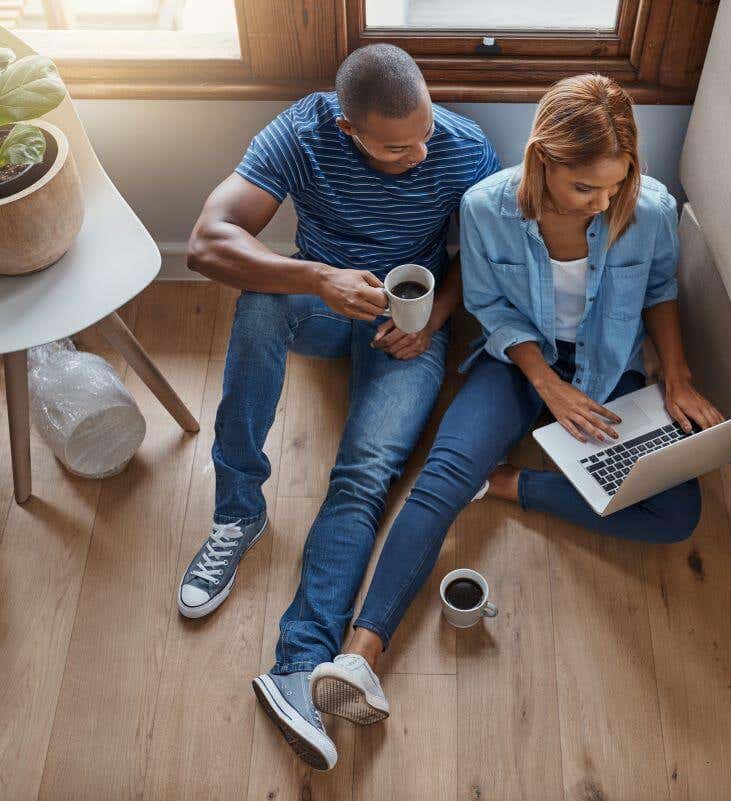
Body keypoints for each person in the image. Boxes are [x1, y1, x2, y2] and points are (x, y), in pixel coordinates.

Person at [306, 74, 726, 728]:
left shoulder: (649, 209)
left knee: (677, 510)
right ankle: (361, 654)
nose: (604, 200)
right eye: (587, 186)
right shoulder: (485, 207)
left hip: (608, 363)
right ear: (543, 160)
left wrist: (676, 375)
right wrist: (547, 384)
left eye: (617, 183)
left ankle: (506, 485)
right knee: (442, 474)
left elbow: (661, 288)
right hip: (515, 361)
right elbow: (489, 306)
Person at [178, 44, 500, 770]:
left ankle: (297, 666)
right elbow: (205, 242)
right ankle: (238, 511)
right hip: (323, 306)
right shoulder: (303, 132)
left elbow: (483, 258)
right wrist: (319, 278)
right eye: (396, 145)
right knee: (262, 302)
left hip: (406, 333)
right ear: (349, 128)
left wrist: (436, 319)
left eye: (424, 133)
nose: (419, 154)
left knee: (362, 477)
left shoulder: (462, 148)